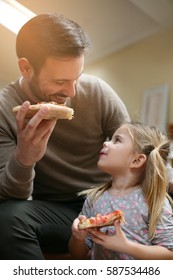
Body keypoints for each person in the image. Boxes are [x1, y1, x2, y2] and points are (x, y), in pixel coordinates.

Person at [0, 13, 130, 259]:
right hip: (55, 212)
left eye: (76, 78)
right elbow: (11, 197)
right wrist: (24, 159)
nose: (70, 92)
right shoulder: (3, 110)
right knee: (6, 218)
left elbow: (138, 151)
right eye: (60, 81)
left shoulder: (97, 92)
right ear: (26, 68)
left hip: (109, 199)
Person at [69, 122, 173, 260]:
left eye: (116, 140)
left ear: (137, 160)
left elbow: (169, 253)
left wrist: (125, 246)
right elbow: (77, 254)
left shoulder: (153, 201)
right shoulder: (95, 198)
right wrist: (78, 238)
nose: (106, 143)